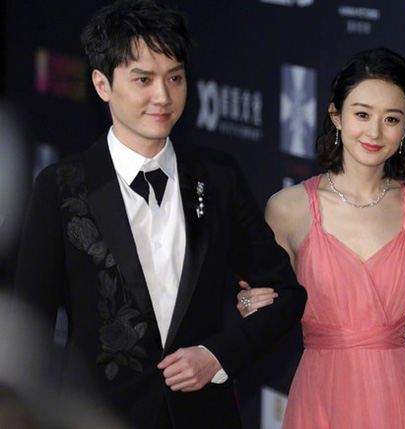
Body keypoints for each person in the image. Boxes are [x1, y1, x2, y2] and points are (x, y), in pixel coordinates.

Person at [12, 1, 306, 428]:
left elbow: (286, 295)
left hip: (204, 417)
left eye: (175, 78)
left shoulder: (217, 177)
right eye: (143, 79)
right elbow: (28, 331)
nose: (163, 97)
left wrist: (216, 355)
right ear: (102, 84)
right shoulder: (62, 187)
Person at [236, 47, 405, 428]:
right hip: (321, 392)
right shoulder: (289, 208)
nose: (374, 132)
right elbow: (273, 314)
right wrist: (250, 305)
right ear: (336, 115)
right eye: (362, 114)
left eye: (391, 119)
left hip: (395, 397)